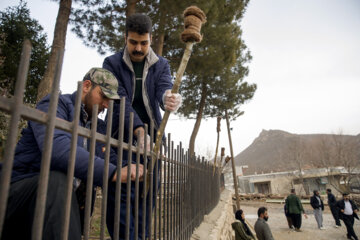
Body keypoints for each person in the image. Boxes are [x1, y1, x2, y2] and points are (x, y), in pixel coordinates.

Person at [1, 68, 143, 240]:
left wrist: (131, 168)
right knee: (57, 180)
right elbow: (58, 148)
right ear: (86, 86)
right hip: (18, 196)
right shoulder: (55, 104)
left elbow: (110, 160)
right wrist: (114, 173)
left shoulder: (98, 127)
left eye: (110, 100)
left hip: (56, 211)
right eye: (103, 96)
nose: (106, 105)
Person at [103, 13, 182, 239]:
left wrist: (169, 97)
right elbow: (119, 102)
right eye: (133, 42)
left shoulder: (162, 65)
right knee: (122, 196)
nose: (139, 48)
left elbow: (164, 89)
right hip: (121, 139)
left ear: (149, 40)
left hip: (153, 142)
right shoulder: (111, 64)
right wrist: (139, 131)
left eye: (144, 43)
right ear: (125, 38)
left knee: (148, 197)